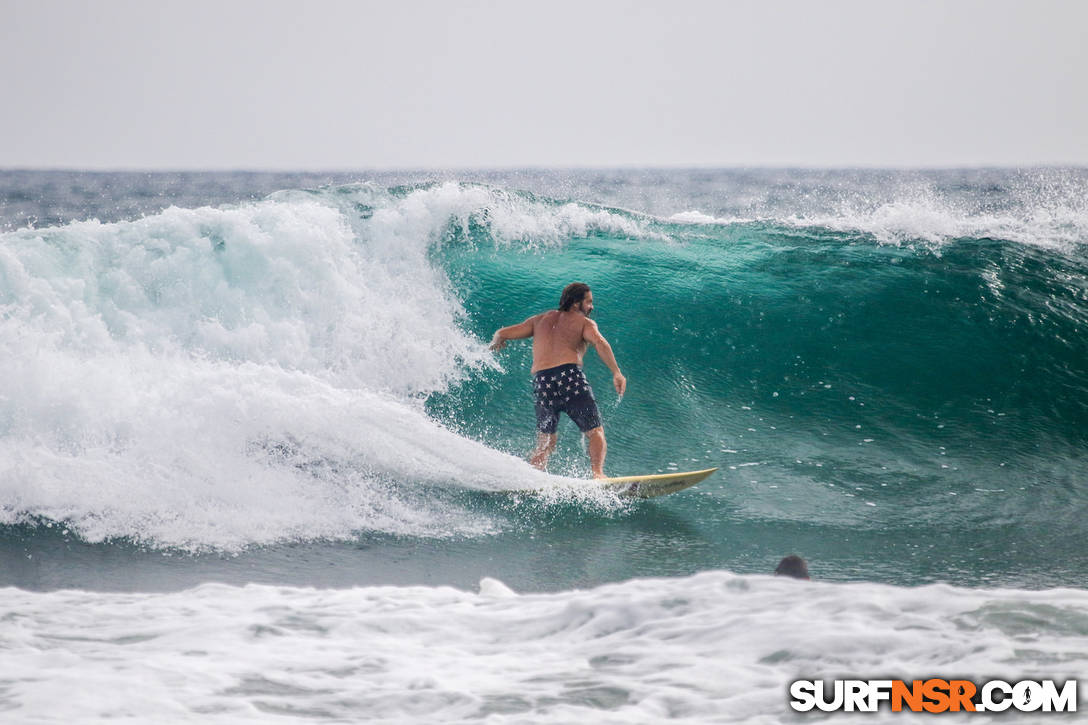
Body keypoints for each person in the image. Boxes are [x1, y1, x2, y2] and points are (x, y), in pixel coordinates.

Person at [490, 282, 626, 478]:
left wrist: (497, 342)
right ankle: (598, 474)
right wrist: (616, 372)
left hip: (542, 382)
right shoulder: (584, 323)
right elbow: (599, 342)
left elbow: (502, 333)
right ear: (575, 304)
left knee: (546, 439)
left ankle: (534, 476)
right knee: (595, 431)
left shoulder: (538, 320)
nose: (591, 307)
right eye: (588, 302)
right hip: (569, 376)